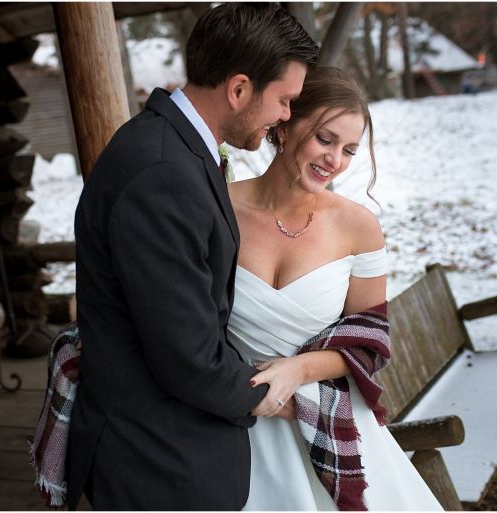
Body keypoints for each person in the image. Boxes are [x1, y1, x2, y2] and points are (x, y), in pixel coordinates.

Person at [66, 3, 318, 510]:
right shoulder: (162, 171)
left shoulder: (175, 147)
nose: (287, 116)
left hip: (170, 449)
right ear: (240, 88)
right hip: (159, 464)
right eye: (284, 100)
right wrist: (280, 399)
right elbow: (187, 357)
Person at [227, 67, 444, 510]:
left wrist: (297, 371)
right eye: (325, 140)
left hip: (332, 422)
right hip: (232, 420)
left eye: (348, 150)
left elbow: (369, 342)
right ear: (285, 124)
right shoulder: (218, 207)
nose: (335, 161)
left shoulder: (358, 228)